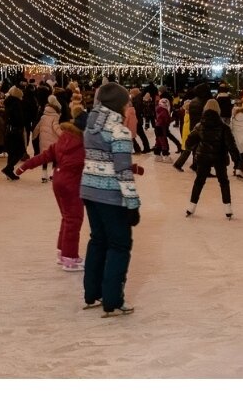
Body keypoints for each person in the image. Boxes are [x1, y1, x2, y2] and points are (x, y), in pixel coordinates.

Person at [80, 82, 140, 317]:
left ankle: (92, 293)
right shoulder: (118, 130)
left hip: (89, 191)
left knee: (98, 241)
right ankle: (112, 299)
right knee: (119, 245)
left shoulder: (91, 126)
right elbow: (123, 170)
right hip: (111, 194)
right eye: (127, 103)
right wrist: (133, 205)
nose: (128, 107)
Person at [16, 106, 85, 271]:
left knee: (66, 217)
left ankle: (62, 252)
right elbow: (103, 162)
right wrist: (130, 168)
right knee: (73, 220)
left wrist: (24, 167)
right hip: (71, 184)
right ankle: (70, 258)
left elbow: (44, 156)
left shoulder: (64, 139)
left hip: (58, 181)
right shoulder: (84, 145)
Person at [182, 99, 238, 219]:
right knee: (223, 182)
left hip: (203, 157)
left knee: (199, 182)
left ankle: (191, 207)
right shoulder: (224, 127)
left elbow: (189, 140)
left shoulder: (200, 126)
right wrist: (237, 161)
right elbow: (231, 145)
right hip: (220, 158)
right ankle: (228, 208)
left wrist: (194, 147)